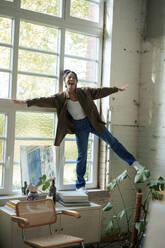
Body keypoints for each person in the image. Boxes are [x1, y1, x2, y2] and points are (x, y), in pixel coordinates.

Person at [13, 69, 143, 191]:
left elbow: (99, 91)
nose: (71, 79)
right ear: (65, 82)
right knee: (82, 155)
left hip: (93, 122)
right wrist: (26, 102)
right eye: (69, 77)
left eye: (73, 77)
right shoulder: (60, 97)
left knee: (112, 141)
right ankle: (80, 186)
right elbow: (43, 100)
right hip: (79, 126)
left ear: (76, 82)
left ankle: (134, 163)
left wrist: (116, 89)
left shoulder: (84, 92)